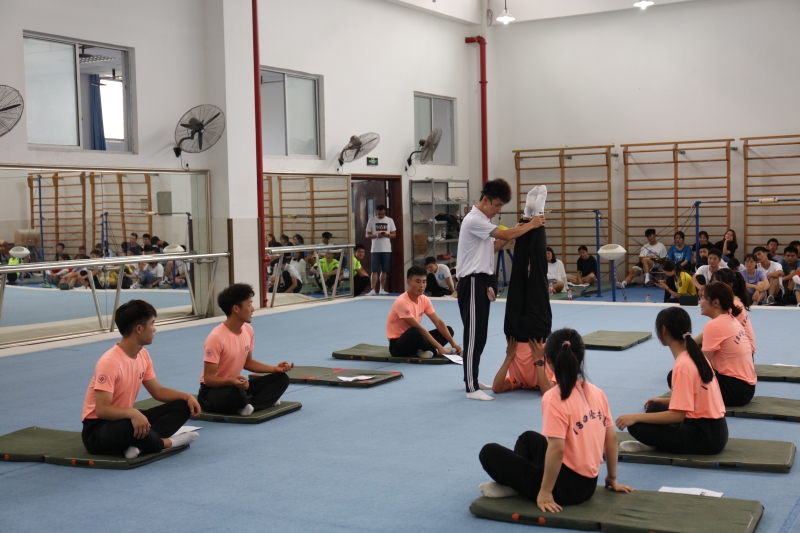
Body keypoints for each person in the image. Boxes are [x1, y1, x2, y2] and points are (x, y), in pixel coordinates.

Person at [478, 328, 633, 510]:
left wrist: (546, 492)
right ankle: (522, 483)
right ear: (580, 358)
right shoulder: (597, 392)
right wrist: (612, 478)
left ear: (548, 360)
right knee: (527, 439)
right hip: (589, 485)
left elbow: (557, 449)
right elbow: (611, 438)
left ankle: (524, 486)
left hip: (565, 489)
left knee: (488, 452)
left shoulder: (554, 397)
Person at [457, 179, 545, 401]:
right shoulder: (474, 220)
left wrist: (519, 227)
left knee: (480, 335)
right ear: (485, 200)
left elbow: (496, 245)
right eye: (497, 205)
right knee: (473, 335)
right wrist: (531, 225)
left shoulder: (484, 220)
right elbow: (504, 236)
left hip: (482, 281)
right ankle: (471, 388)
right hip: (472, 281)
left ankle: (472, 379)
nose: (498, 210)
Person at [81, 300, 201, 459]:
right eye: (152, 324)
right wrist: (132, 413)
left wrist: (186, 397)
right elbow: (102, 409)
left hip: (124, 418)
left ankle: (140, 445)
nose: (154, 329)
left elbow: (158, 391)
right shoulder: (109, 362)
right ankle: (167, 442)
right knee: (130, 425)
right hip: (97, 430)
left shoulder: (143, 355)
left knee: (182, 406)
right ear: (139, 329)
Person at [615, 307, 727, 455]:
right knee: (654, 407)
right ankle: (655, 442)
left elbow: (678, 415)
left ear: (664, 330)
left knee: (636, 426)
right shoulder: (696, 356)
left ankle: (654, 443)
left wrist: (635, 417)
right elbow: (698, 399)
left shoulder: (683, 365)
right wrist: (666, 401)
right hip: (717, 431)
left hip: (704, 437)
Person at [199, 283, 292, 415]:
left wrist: (275, 369)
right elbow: (208, 379)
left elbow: (248, 363)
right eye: (249, 304)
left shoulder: (248, 330)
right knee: (236, 391)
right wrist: (230, 381)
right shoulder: (216, 338)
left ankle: (250, 405)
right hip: (212, 392)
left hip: (237, 385)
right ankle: (258, 401)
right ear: (236, 309)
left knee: (281, 379)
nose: (252, 309)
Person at [694, 282, 756, 406]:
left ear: (716, 303)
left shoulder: (714, 325)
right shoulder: (730, 318)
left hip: (733, 391)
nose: (700, 302)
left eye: (703, 298)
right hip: (747, 389)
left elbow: (702, 365)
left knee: (675, 376)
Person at [385, 265, 461, 359]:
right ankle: (436, 351)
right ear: (408, 282)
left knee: (448, 330)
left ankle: (423, 351)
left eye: (424, 281)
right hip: (398, 346)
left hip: (416, 339)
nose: (421, 285)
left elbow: (438, 322)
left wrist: (453, 343)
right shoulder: (402, 302)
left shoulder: (424, 299)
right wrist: (440, 347)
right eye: (418, 281)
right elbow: (419, 328)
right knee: (415, 331)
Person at [710, 268, 755, 356]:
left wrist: (690, 344)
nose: (712, 286)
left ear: (729, 285)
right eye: (712, 282)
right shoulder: (735, 301)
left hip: (742, 352)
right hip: (744, 350)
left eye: (716, 282)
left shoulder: (731, 305)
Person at [365, 205, 397, 296]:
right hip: (375, 249)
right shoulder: (371, 220)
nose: (381, 216)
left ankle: (382, 289)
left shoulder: (390, 220)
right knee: (374, 270)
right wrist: (376, 235)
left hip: (386, 248)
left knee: (384, 269)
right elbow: (367, 235)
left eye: (382, 214)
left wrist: (387, 235)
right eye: (379, 214)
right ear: (376, 212)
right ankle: (372, 290)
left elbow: (394, 234)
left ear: (385, 212)